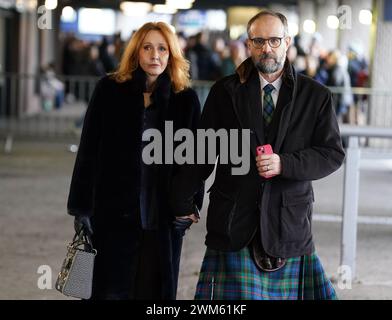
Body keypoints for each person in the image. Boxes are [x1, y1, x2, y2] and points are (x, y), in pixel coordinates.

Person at [170, 10, 345, 300]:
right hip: (233, 221)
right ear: (249, 44)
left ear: (288, 42)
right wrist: (182, 200)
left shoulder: (316, 96)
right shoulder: (224, 91)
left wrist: (284, 163)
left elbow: (331, 154)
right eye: (259, 40)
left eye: (275, 40)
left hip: (288, 225)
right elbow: (201, 151)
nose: (267, 48)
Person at [66, 21, 203, 300]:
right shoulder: (109, 90)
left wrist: (190, 206)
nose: (155, 55)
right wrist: (81, 207)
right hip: (111, 217)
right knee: (108, 291)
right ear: (136, 53)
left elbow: (195, 161)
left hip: (162, 219)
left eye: (162, 49)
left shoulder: (185, 100)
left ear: (171, 54)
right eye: (148, 48)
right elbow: (88, 150)